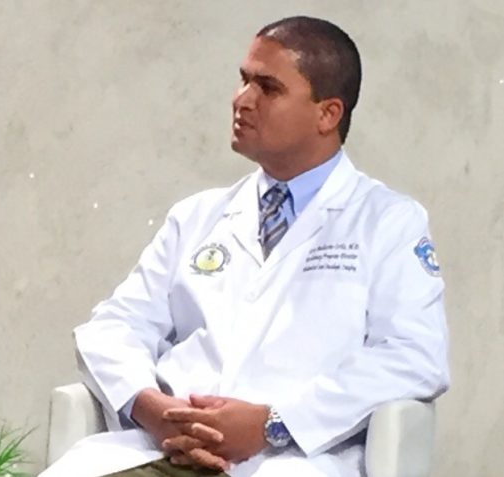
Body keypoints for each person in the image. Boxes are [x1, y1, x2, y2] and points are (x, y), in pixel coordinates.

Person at [41, 15, 449, 477]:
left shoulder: (387, 221)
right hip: (165, 450)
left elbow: (414, 357)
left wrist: (273, 424)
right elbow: (115, 326)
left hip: (290, 460)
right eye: (244, 80)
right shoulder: (196, 216)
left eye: (268, 88)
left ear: (328, 114)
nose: (242, 100)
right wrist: (153, 409)